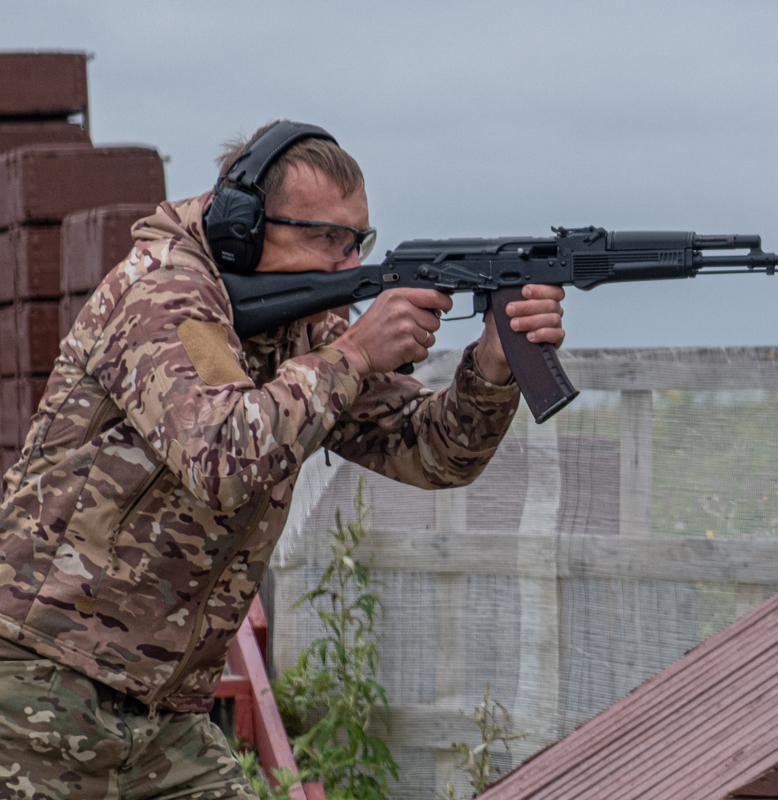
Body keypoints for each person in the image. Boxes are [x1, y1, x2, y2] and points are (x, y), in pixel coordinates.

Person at [0, 121, 565, 798]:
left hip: (159, 714)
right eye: (325, 237)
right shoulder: (159, 295)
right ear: (242, 225)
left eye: (358, 239)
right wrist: (353, 355)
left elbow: (431, 451)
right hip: (39, 686)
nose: (347, 262)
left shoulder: (298, 322)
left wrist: (493, 367)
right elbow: (221, 460)